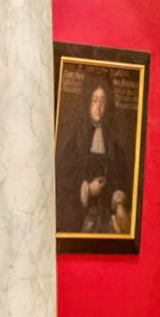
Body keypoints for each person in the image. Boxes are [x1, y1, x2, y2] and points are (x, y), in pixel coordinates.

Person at [55, 79, 122, 234]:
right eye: (94, 100)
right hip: (78, 214)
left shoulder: (111, 138)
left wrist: (116, 199)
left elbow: (119, 176)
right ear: (87, 103)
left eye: (103, 101)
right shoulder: (75, 137)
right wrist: (87, 189)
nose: (99, 107)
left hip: (104, 213)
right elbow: (62, 179)